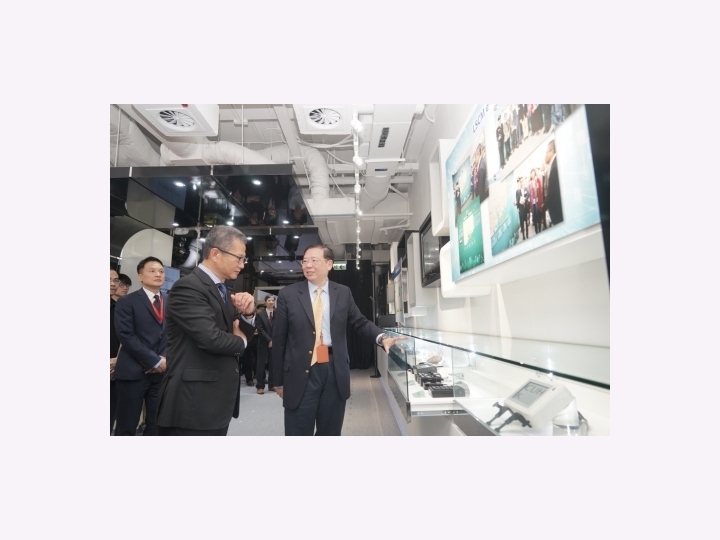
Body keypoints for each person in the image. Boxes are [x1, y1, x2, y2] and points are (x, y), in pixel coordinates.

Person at [271, 244, 406, 436]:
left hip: (334, 370)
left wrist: (382, 337)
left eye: (314, 260)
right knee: (298, 432)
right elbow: (279, 340)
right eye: (305, 261)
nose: (307, 265)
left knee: (330, 431)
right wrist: (277, 381)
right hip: (300, 372)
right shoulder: (288, 294)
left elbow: (359, 322)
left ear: (329, 264)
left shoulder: (342, 292)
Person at [156, 225, 257, 436]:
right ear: (215, 253)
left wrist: (248, 314)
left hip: (213, 401)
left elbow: (234, 329)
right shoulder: (189, 287)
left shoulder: (221, 289)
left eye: (243, 259)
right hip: (193, 402)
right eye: (239, 258)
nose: (242, 265)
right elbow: (212, 338)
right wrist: (241, 341)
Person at [113, 257, 167, 436]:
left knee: (156, 425)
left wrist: (165, 359)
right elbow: (126, 336)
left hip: (161, 374)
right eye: (152, 271)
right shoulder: (127, 301)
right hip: (133, 372)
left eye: (161, 271)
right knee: (127, 426)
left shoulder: (170, 301)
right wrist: (154, 361)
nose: (158, 274)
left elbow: (174, 335)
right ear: (140, 276)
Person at [255, 295, 276, 394]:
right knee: (261, 364)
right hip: (263, 342)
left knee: (273, 364)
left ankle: (272, 385)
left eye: (272, 300)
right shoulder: (260, 314)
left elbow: (280, 328)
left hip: (275, 342)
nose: (271, 302)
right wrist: (269, 340)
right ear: (265, 302)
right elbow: (260, 329)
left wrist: (273, 340)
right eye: (269, 300)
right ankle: (260, 386)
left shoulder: (278, 313)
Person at [110, 269, 120, 435]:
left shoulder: (119, 308)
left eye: (115, 280)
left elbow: (125, 337)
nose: (112, 284)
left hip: (112, 370)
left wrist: (117, 360)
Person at [544, 140, 563, 226]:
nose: (545, 156)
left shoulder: (555, 165)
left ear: (552, 150)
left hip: (558, 211)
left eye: (546, 152)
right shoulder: (553, 165)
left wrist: (545, 205)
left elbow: (553, 190)